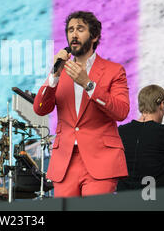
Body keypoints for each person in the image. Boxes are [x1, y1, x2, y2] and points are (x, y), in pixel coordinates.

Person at [33, 11, 130, 197]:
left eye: (80, 29)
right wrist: (54, 75)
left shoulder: (114, 70)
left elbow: (121, 111)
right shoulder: (61, 72)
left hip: (101, 159)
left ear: (94, 36)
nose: (74, 34)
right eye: (70, 30)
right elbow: (39, 108)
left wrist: (88, 84)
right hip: (65, 161)